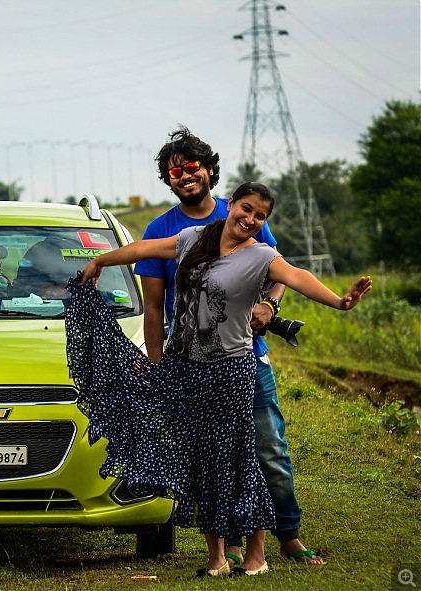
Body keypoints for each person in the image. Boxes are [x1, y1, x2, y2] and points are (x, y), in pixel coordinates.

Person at [67, 182, 371, 577]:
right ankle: (217, 559)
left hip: (231, 369)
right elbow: (144, 249)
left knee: (242, 458)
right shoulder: (194, 238)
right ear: (231, 206)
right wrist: (101, 261)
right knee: (201, 462)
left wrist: (340, 301)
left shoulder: (260, 256)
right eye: (246, 209)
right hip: (185, 365)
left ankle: (256, 555)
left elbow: (299, 275)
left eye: (260, 216)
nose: (250, 219)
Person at [134, 126, 323, 566]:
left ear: (210, 170)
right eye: (174, 170)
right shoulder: (161, 229)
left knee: (267, 446)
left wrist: (269, 309)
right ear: (168, 179)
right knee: (211, 454)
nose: (184, 175)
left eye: (191, 166)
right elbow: (155, 308)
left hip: (246, 359)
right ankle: (231, 546)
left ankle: (289, 535)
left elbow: (279, 271)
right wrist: (161, 368)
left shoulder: (241, 212)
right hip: (192, 363)